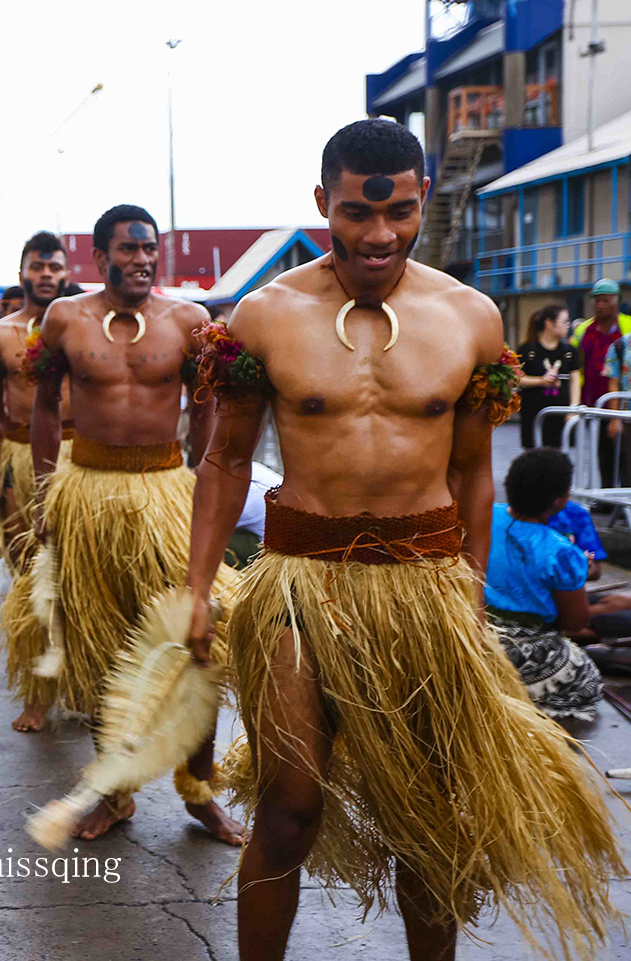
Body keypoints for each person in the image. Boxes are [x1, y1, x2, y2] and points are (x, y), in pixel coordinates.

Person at [185, 118, 623, 960]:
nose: (378, 234)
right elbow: (225, 458)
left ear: (421, 198)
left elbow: (472, 474)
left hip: (423, 589)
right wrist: (196, 590)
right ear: (323, 204)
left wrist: (471, 584)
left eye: (398, 213)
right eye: (355, 213)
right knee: (288, 809)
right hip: (300, 583)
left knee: (426, 815)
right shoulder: (265, 315)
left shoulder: (471, 317)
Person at [0, 209, 241, 848]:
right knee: (102, 651)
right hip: (88, 492)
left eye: (149, 249)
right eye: (129, 249)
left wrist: (201, 491)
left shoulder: (189, 322)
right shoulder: (66, 320)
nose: (142, 259)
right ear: (100, 257)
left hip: (165, 492)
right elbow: (47, 408)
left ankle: (200, 793)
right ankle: (113, 792)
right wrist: (47, 497)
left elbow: (209, 413)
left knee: (197, 639)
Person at [0, 233, 78, 725]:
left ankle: (82, 682)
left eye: (55, 266)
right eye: (38, 267)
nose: (47, 275)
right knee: (30, 576)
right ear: (22, 273)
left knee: (78, 577)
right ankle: (38, 694)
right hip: (16, 458)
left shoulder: (82, 326)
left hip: (79, 461)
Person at [486, 449, 619, 722]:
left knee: (616, 607)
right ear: (560, 499)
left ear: (509, 485)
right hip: (523, 648)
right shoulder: (559, 550)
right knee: (586, 678)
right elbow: (574, 622)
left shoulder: (486, 517)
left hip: (477, 628)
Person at [572, 279, 631, 488]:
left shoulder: (627, 327)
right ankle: (605, 497)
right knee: (602, 451)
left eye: (605, 300)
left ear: (616, 302)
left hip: (621, 403)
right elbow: (574, 365)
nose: (600, 305)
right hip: (593, 401)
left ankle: (623, 498)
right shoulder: (584, 330)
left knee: (625, 454)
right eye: (597, 301)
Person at [515, 303, 579, 449]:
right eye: (564, 322)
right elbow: (517, 378)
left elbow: (575, 379)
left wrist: (573, 408)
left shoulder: (569, 350)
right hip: (533, 412)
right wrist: (541, 381)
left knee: (559, 456)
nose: (567, 326)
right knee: (533, 456)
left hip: (561, 413)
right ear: (549, 323)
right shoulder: (527, 349)